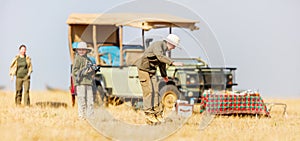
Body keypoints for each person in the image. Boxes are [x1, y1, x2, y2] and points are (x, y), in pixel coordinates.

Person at [137, 34, 183, 124]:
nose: (174, 48)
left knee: (156, 92)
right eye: (174, 46)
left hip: (151, 71)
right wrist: (172, 63)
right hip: (143, 70)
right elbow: (160, 57)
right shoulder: (158, 45)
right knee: (149, 92)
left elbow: (162, 63)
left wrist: (164, 76)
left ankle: (158, 114)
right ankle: (149, 113)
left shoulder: (163, 50)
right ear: (170, 43)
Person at [72, 42, 96, 120]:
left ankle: (91, 116)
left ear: (86, 51)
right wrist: (84, 72)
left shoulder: (89, 59)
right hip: (80, 83)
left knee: (90, 101)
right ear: (77, 50)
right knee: (81, 99)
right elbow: (74, 71)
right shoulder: (77, 59)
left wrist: (92, 70)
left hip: (88, 82)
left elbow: (92, 72)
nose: (81, 51)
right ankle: (82, 116)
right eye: (80, 50)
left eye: (83, 49)